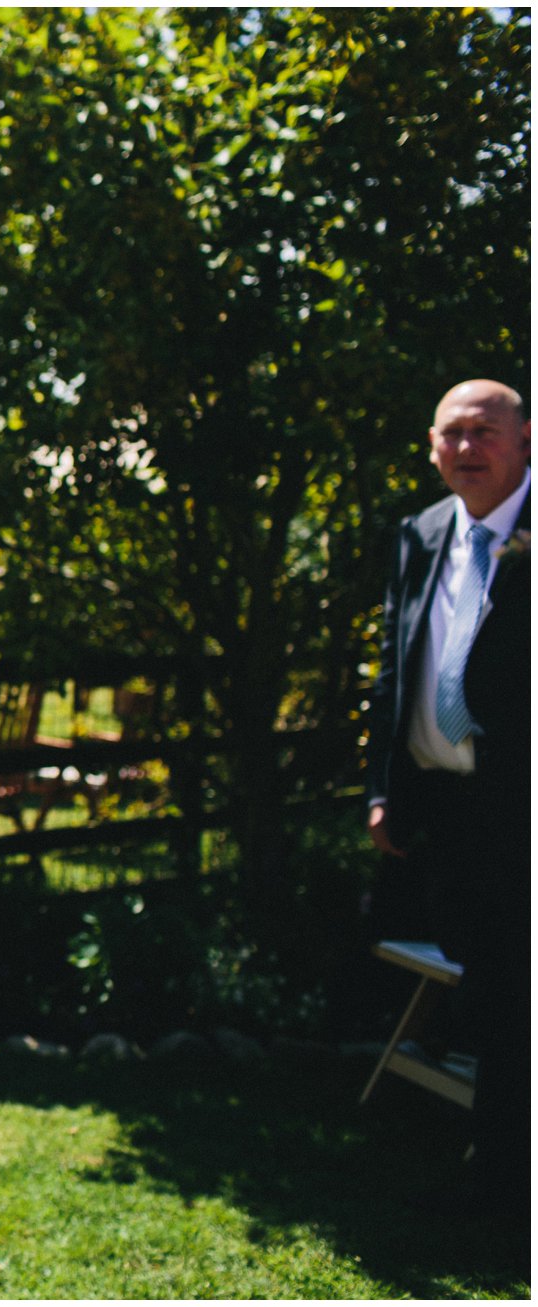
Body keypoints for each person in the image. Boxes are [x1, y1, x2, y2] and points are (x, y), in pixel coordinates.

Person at [365, 377, 530, 1238]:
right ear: (432, 446)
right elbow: (399, 665)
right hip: (449, 814)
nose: (469, 448)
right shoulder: (422, 531)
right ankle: (500, 1169)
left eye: (487, 431)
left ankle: (503, 1185)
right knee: (493, 995)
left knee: (516, 998)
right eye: (453, 434)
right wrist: (384, 788)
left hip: (526, 815)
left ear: (527, 438)